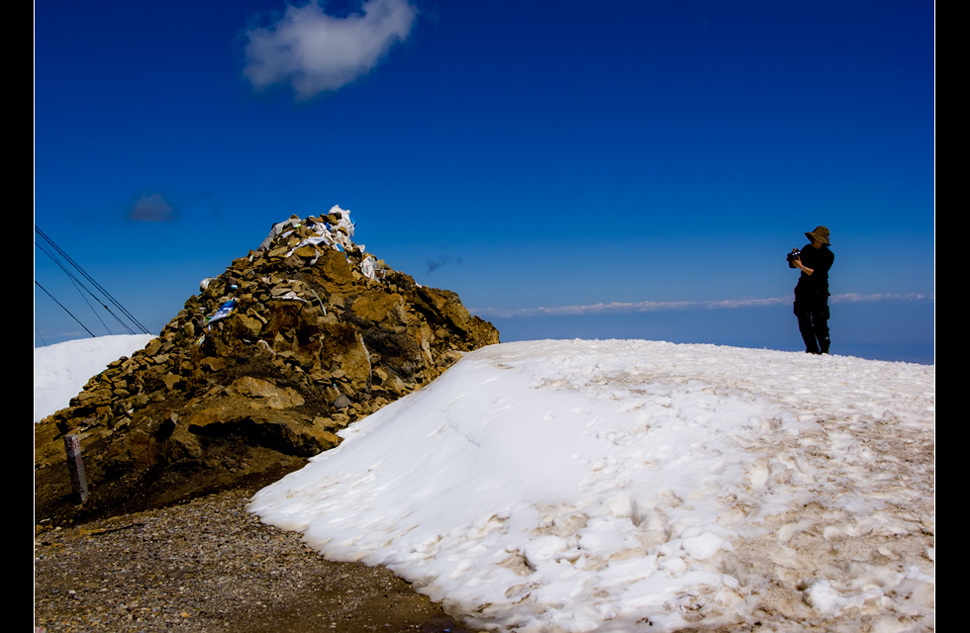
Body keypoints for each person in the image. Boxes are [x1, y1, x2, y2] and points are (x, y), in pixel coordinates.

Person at [790, 226, 834, 354]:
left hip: (819, 291)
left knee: (820, 321)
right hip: (804, 289)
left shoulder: (828, 256)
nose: (813, 240)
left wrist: (801, 267)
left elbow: (817, 274)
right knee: (804, 320)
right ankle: (812, 349)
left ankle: (824, 349)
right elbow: (793, 265)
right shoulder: (807, 249)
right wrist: (795, 260)